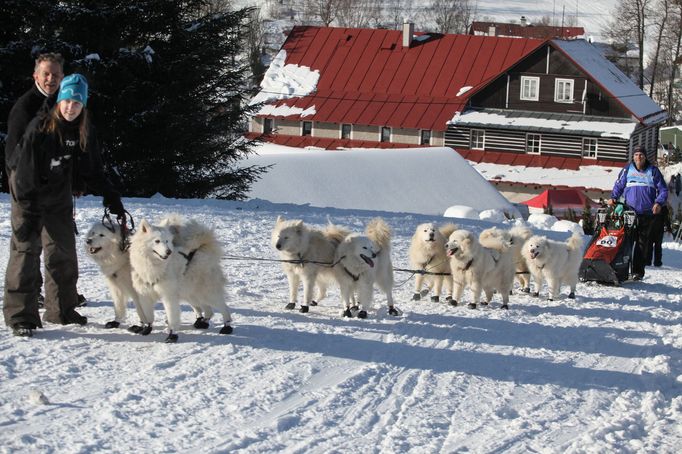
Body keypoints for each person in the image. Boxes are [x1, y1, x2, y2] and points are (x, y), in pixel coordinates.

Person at [4, 74, 125, 337]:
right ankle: (21, 316)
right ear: (60, 100)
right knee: (26, 252)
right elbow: (22, 173)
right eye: (68, 100)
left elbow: (93, 168)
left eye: (77, 103)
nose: (71, 107)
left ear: (83, 106)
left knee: (64, 252)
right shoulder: (40, 128)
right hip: (29, 194)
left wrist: (110, 195)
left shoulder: (83, 129)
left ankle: (62, 309)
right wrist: (26, 210)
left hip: (58, 195)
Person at [608, 146, 668, 281]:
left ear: (645, 156)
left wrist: (658, 203)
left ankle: (637, 272)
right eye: (636, 155)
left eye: (641, 154)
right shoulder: (627, 170)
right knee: (625, 242)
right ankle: (620, 269)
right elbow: (619, 185)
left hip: (647, 214)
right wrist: (613, 197)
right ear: (633, 157)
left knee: (642, 245)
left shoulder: (653, 171)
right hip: (629, 213)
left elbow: (663, 190)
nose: (638, 157)